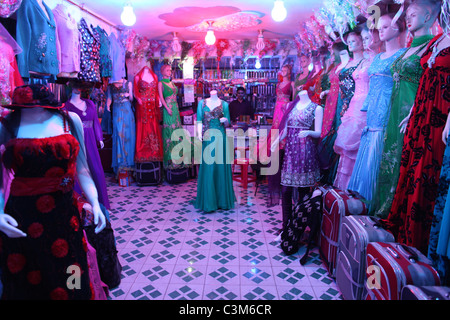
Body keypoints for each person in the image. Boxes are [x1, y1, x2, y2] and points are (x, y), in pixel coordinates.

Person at [0, 84, 106, 300]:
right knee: (28, 284)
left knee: (72, 279)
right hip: (21, 220)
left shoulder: (69, 121)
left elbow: (82, 169)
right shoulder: (7, 125)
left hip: (64, 219)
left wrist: (95, 202)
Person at [385, 2, 450, 255]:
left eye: (414, 14)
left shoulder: (437, 39)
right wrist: (413, 110)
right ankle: (405, 233)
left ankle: (422, 242)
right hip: (421, 111)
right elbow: (426, 77)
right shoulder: (439, 40)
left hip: (440, 114)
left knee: (428, 172)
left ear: (429, 14)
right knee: (414, 167)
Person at [374, 0, 436, 218]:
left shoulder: (433, 46)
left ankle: (396, 214)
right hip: (393, 111)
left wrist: (415, 111)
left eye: (413, 14)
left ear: (428, 16)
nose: (407, 19)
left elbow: (431, 84)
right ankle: (383, 210)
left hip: (412, 112)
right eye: (406, 15)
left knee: (403, 159)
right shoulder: (408, 50)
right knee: (389, 158)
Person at [347, 11, 407, 210]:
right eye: (379, 28)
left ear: (397, 28)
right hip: (371, 114)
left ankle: (375, 209)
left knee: (378, 159)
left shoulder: (402, 55)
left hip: (386, 113)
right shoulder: (379, 56)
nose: (379, 32)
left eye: (385, 27)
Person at [271, 89, 323, 230]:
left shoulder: (316, 108)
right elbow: (286, 130)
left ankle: (298, 226)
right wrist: (276, 141)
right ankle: (286, 225)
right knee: (286, 190)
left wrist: (309, 132)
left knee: (303, 191)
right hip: (290, 151)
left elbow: (319, 133)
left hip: (305, 151)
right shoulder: (290, 106)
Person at [333, 27, 369, 190]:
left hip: (357, 103)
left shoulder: (365, 61)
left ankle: (353, 187)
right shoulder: (348, 62)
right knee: (344, 144)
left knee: (354, 143)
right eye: (348, 42)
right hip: (344, 103)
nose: (350, 44)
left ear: (362, 42)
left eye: (354, 41)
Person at [65, 81, 111, 210]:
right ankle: (79, 204)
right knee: (79, 170)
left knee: (96, 168)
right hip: (76, 138)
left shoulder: (89, 103)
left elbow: (95, 121)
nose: (77, 89)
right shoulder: (66, 107)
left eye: (78, 86)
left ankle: (101, 201)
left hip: (90, 137)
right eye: (74, 86)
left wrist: (99, 138)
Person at [193, 90, 235, 213]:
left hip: (220, 137)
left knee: (220, 167)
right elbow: (199, 120)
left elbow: (228, 124)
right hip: (207, 137)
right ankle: (209, 201)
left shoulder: (225, 104)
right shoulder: (201, 103)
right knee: (209, 167)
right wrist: (198, 134)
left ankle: (222, 201)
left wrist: (225, 121)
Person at [158, 64, 188, 171]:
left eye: (170, 70)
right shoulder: (160, 83)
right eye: (167, 70)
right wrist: (167, 108)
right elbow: (161, 98)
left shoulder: (172, 82)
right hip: (169, 108)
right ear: (162, 72)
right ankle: (170, 159)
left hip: (175, 108)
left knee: (177, 130)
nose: (169, 72)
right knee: (170, 131)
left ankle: (178, 159)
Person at [134, 64, 163, 163]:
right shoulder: (137, 77)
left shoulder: (155, 76)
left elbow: (156, 92)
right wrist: (138, 99)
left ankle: (154, 151)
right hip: (143, 105)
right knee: (144, 126)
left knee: (153, 126)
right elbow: (135, 91)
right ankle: (143, 152)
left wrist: (158, 100)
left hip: (153, 105)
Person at [107, 79, 136, 177]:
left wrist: (128, 95)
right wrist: (107, 106)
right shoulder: (111, 85)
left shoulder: (129, 83)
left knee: (128, 135)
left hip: (126, 109)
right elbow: (109, 98)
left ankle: (128, 166)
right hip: (116, 110)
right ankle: (120, 164)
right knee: (118, 134)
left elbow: (131, 98)